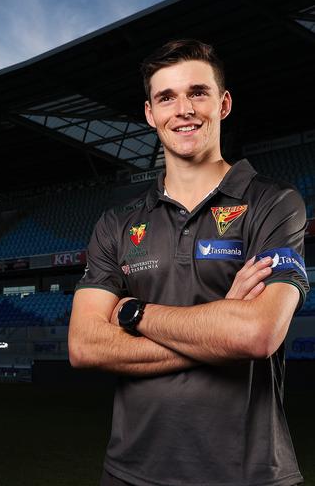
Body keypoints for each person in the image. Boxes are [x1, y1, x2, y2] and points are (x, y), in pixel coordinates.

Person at [69, 39, 308, 486]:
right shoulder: (116, 223)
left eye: (197, 92)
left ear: (223, 102)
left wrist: (133, 314)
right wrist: (219, 330)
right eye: (167, 97)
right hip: (130, 473)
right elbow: (84, 345)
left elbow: (256, 335)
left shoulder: (274, 203)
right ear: (149, 113)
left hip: (249, 473)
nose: (184, 109)